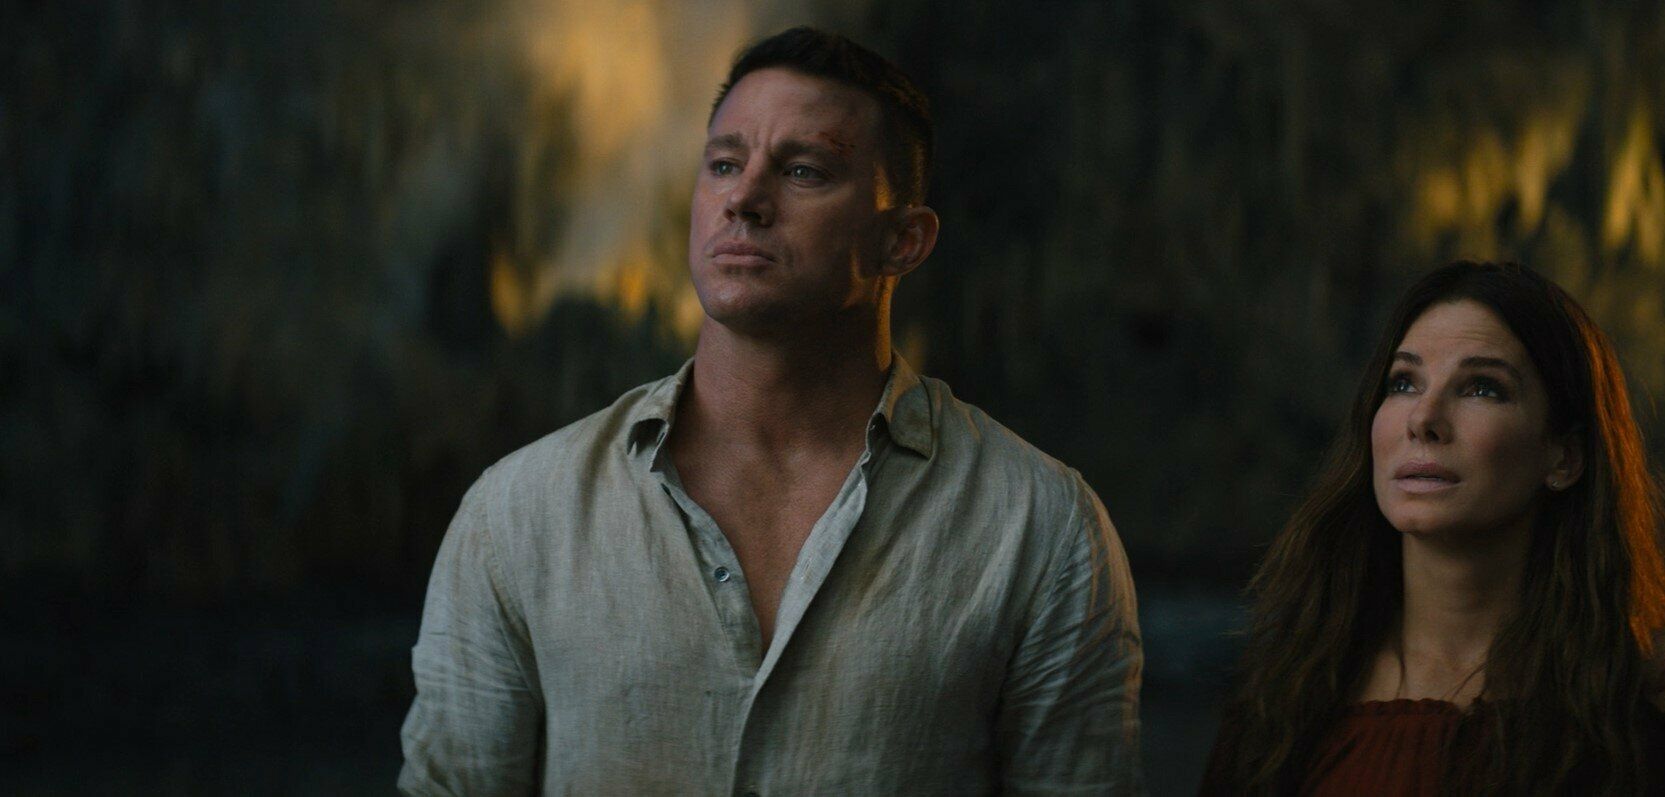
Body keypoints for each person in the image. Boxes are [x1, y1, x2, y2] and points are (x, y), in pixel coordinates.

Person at [398, 27, 1142, 795]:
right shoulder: (520, 513)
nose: (744, 199)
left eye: (802, 170)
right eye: (724, 164)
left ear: (903, 240)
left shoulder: (1037, 527)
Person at [1200, 261, 1665, 794]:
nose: (1424, 418)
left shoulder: (1661, 691)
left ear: (1564, 457)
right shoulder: (1293, 684)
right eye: (1403, 382)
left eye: (1481, 388)